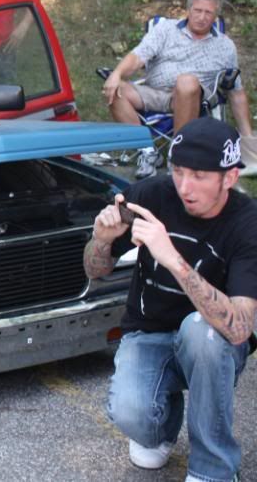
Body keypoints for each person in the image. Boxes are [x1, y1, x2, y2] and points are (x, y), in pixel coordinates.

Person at [83, 117, 257, 482]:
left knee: (202, 334)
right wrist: (101, 239)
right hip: (148, 332)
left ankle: (213, 469)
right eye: (178, 171)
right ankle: (162, 424)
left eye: (199, 175)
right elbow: (95, 270)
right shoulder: (151, 194)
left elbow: (239, 328)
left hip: (211, 341)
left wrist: (172, 257)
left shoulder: (248, 223)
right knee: (133, 417)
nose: (184, 186)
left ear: (230, 177)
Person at [102, 0, 253, 178]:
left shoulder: (225, 46)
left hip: (194, 98)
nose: (202, 16)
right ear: (188, 10)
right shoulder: (165, 29)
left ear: (215, 15)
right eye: (198, 10)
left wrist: (247, 139)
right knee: (116, 89)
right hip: (155, 92)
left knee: (186, 81)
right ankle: (147, 151)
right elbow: (138, 56)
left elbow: (236, 92)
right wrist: (116, 74)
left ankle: (178, 154)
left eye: (208, 12)